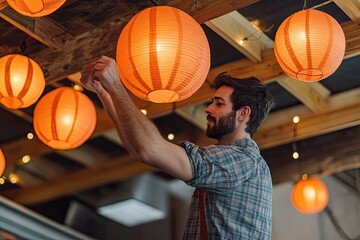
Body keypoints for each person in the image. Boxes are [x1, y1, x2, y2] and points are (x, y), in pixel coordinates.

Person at [81, 55, 275, 240]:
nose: (208, 109)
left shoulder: (242, 160)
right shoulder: (240, 162)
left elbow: (149, 150)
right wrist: (105, 92)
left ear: (243, 114)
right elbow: (138, 151)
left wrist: (116, 85)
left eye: (219, 104)